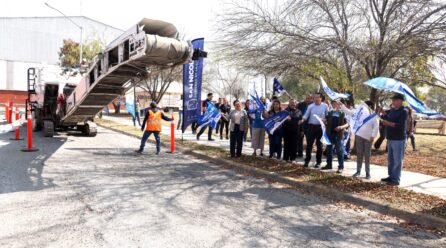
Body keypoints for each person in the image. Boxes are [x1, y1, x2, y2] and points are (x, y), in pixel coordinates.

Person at [342, 100, 379, 179]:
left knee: (367, 155)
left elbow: (376, 127)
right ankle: (358, 171)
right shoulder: (359, 113)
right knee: (359, 154)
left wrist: (372, 136)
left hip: (368, 138)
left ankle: (367, 173)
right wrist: (342, 105)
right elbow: (349, 112)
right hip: (359, 136)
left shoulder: (373, 115)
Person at [380, 94, 408, 186]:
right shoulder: (392, 110)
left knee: (397, 160)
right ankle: (391, 176)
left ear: (400, 101)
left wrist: (388, 123)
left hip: (399, 139)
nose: (392, 102)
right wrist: (383, 113)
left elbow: (399, 125)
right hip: (391, 138)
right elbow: (388, 119)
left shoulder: (404, 111)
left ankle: (396, 179)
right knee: (391, 159)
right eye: (392, 100)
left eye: (394, 100)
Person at [321, 100, 349, 173]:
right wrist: (322, 120)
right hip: (329, 134)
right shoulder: (330, 112)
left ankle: (341, 167)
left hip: (338, 135)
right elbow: (325, 120)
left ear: (339, 105)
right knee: (329, 151)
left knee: (339, 151)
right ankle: (329, 165)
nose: (334, 105)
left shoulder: (343, 113)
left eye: (336, 103)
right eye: (333, 103)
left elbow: (347, 124)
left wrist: (341, 127)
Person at [302, 92, 329, 168]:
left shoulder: (325, 106)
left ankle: (318, 162)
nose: (316, 99)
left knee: (319, 146)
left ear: (321, 98)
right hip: (311, 128)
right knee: (309, 145)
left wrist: (325, 120)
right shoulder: (310, 106)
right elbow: (306, 115)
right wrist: (302, 120)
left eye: (318, 97)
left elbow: (328, 116)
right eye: (315, 97)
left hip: (320, 128)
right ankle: (307, 161)